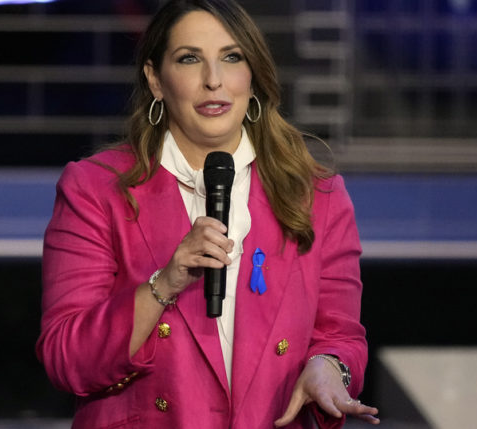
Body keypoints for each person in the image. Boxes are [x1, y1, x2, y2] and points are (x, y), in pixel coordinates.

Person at [36, 0, 379, 427]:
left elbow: (340, 337)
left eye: (231, 58)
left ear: (252, 77)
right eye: (189, 59)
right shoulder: (94, 189)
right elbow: (67, 359)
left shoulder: (317, 195)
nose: (213, 80)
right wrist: (166, 281)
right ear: (155, 79)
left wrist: (329, 368)